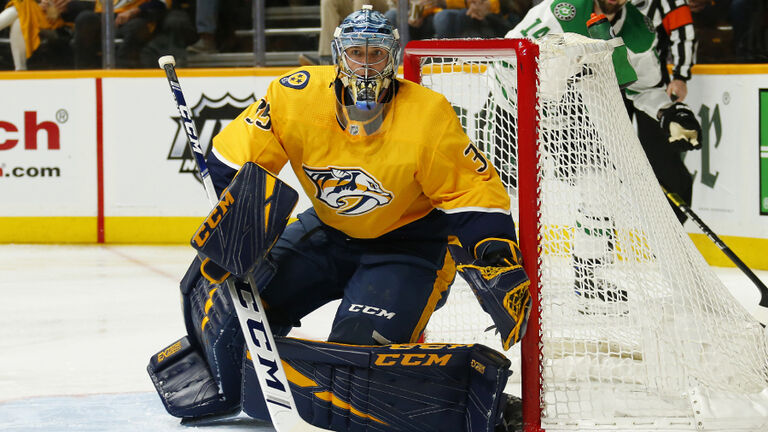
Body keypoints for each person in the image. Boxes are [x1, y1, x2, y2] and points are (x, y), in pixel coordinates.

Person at [149, 6, 530, 428]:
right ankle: (229, 384)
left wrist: (495, 256)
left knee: (351, 369)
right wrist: (234, 221)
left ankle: (459, 404)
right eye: (356, 54)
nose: (365, 66)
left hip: (408, 248)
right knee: (227, 307)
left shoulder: (428, 115)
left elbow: (470, 192)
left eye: (376, 54)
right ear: (337, 55)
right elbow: (233, 157)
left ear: (394, 57)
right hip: (327, 232)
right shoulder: (294, 95)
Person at [505, 0, 701, 303]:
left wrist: (668, 111)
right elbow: (509, 54)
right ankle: (490, 264)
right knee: (505, 189)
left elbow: (645, 87)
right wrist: (530, 104)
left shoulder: (638, 29)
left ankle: (588, 276)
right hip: (513, 101)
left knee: (602, 185)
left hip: (568, 111)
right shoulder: (562, 10)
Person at [299, 0, 390, 65]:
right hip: (354, 3)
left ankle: (357, 52)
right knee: (328, 1)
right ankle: (328, 58)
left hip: (386, 4)